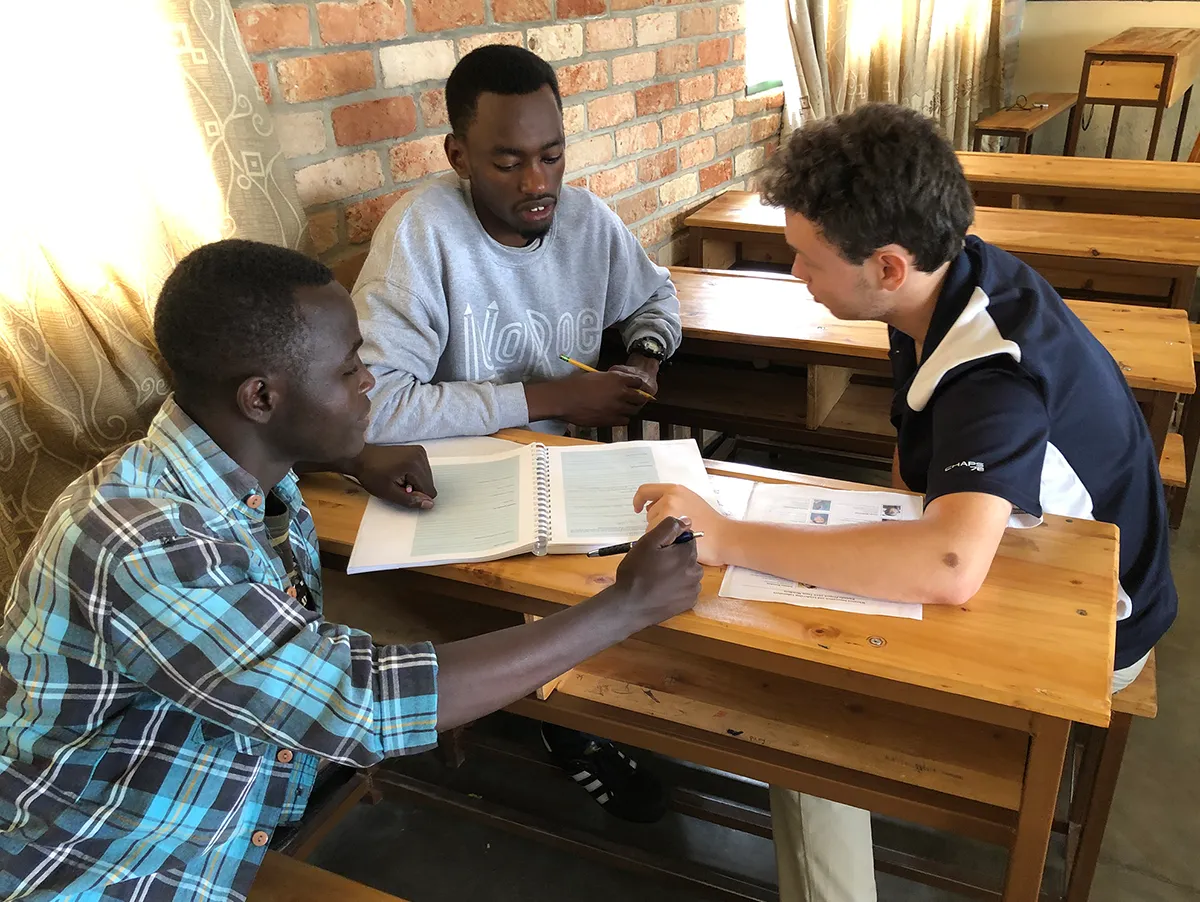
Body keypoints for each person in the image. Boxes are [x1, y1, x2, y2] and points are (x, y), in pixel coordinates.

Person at [0, 239, 702, 902]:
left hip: (208, 816)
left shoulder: (222, 470)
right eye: (346, 369)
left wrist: (351, 453)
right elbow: (363, 702)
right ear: (262, 399)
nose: (368, 380)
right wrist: (624, 606)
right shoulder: (143, 542)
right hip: (107, 862)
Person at [634, 104, 1177, 902]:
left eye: (808, 259)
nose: (796, 275)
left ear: (887, 265)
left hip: (1098, 618)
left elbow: (950, 568)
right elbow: (915, 468)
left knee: (803, 717)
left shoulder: (992, 368)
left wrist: (727, 536)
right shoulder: (942, 284)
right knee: (815, 609)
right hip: (1021, 543)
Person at [351, 44, 684, 819]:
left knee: (661, 565)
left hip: (571, 474)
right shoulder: (419, 237)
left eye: (552, 156)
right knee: (548, 605)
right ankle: (564, 729)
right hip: (456, 486)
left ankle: (589, 708)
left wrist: (642, 358)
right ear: (458, 155)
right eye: (507, 163)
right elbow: (377, 407)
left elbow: (654, 298)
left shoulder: (587, 219)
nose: (538, 184)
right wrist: (544, 393)